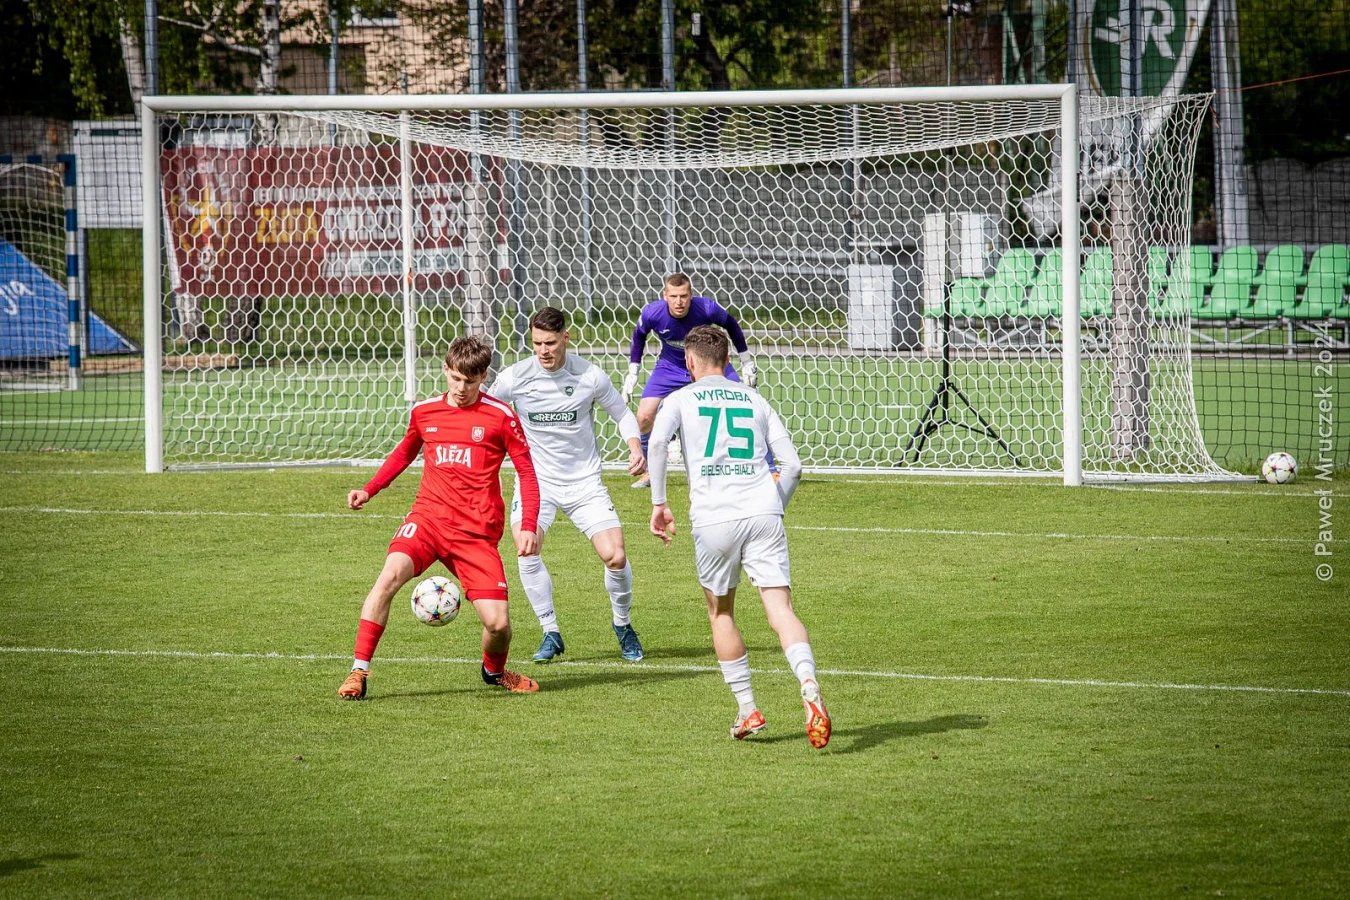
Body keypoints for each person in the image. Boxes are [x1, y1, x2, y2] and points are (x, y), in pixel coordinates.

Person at [647, 325, 829, 748]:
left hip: (715, 519)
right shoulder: (754, 399)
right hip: (763, 513)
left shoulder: (680, 399)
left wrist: (659, 503)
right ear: (727, 361)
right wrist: (773, 505)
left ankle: (748, 710)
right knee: (781, 610)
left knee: (722, 613)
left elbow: (656, 445)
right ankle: (808, 683)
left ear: (689, 361)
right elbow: (793, 466)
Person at [338, 335, 542, 700]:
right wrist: (370, 489)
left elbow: (527, 472)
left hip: (476, 534)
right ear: (446, 369)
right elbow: (404, 453)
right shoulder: (425, 411)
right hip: (428, 521)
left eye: (470, 381)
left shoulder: (501, 417)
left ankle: (494, 672)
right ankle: (358, 671)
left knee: (498, 625)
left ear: (483, 377)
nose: (461, 388)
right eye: (455, 378)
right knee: (387, 579)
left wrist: (528, 526)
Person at [488, 306, 648, 663]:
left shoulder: (590, 376)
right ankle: (550, 631)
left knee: (616, 556)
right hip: (537, 483)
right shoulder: (515, 377)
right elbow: (485, 412)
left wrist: (635, 446)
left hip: (584, 482)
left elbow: (622, 414)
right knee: (526, 548)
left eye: (550, 343)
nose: (543, 351)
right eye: (537, 343)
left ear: (565, 338)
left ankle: (622, 625)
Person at [622, 272, 757, 488]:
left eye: (683, 296)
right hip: (670, 367)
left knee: (743, 404)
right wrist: (633, 372)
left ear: (691, 295)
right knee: (644, 416)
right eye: (674, 296)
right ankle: (649, 471)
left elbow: (731, 325)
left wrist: (746, 361)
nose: (679, 302)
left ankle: (766, 469)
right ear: (665, 295)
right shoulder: (652, 313)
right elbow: (639, 336)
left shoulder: (707, 308)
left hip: (707, 363)